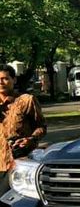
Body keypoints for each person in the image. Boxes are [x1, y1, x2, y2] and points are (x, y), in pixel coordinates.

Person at [0, 64, 47, 194]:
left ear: (14, 80)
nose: (1, 82)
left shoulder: (26, 101)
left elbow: (41, 127)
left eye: (5, 78)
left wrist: (31, 139)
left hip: (19, 165)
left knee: (13, 205)